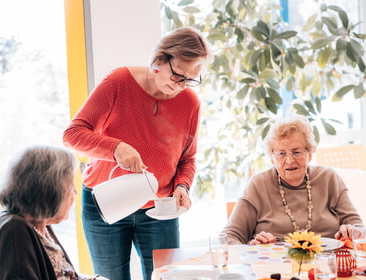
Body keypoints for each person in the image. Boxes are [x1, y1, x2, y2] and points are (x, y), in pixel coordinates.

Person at [63, 27, 212, 280]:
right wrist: (115, 148)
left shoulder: (190, 103)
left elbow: (187, 158)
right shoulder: (119, 82)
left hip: (160, 208)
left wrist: (183, 187)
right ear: (159, 60)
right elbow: (72, 135)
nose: (181, 86)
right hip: (106, 205)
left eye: (190, 79)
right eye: (178, 76)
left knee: (166, 277)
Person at [223, 115, 363, 245]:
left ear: (309, 154)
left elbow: (358, 227)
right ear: (272, 158)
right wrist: (252, 249)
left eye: (296, 152)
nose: (289, 160)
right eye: (281, 154)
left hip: (327, 267)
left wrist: (351, 231)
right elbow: (229, 236)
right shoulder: (258, 185)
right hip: (274, 267)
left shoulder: (328, 178)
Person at [0, 145, 109, 280]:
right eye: (71, 184)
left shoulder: (39, 223)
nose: (75, 192)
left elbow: (61, 273)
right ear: (49, 190)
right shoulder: (14, 230)